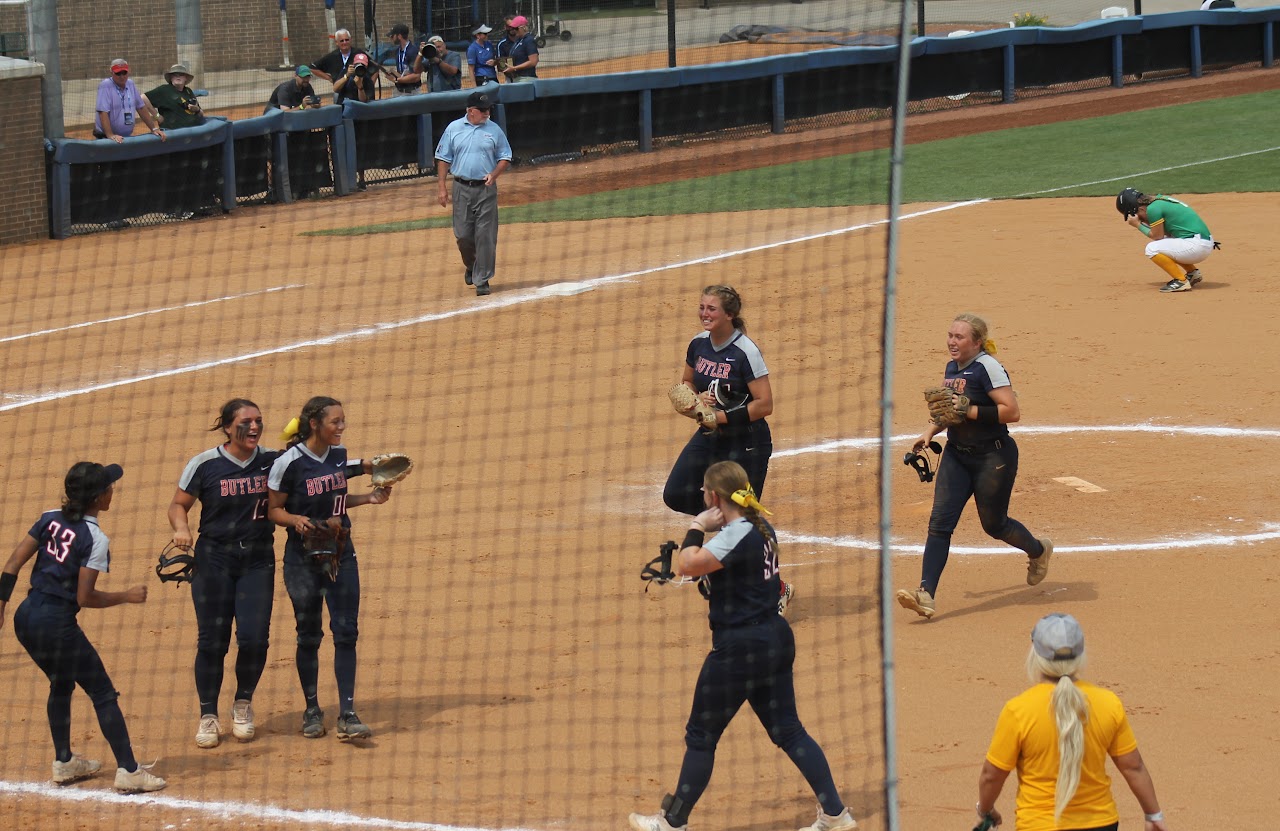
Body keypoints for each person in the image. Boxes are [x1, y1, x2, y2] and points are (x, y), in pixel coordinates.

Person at [628, 461, 856, 831]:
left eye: (705, 493)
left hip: (740, 648)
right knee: (789, 730)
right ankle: (836, 814)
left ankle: (672, 823)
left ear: (715, 497)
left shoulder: (732, 536)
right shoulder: (761, 527)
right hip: (775, 639)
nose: (702, 498)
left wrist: (697, 527)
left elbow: (688, 564)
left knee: (702, 735)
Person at [0, 463, 167, 793]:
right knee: (102, 692)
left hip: (25, 617)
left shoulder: (49, 518)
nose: (112, 490)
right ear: (99, 497)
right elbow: (85, 596)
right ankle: (130, 771)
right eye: (108, 487)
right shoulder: (95, 538)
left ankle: (64, 762)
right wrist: (126, 596)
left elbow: (12, 564)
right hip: (56, 623)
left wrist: (1, 605)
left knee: (61, 682)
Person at [897, 313, 1052, 620]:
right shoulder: (952, 368)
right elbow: (949, 411)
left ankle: (1038, 550)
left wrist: (970, 410)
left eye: (959, 337)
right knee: (939, 524)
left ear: (976, 342)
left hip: (993, 457)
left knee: (995, 525)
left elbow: (1012, 411)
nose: (952, 342)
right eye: (950, 335)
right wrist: (929, 432)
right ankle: (925, 594)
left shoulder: (988, 368)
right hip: (957, 455)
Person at [267, 396, 392, 741]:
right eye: (335, 422)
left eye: (342, 421)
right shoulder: (288, 463)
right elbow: (273, 510)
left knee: (346, 631)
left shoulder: (338, 456)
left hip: (340, 554)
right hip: (301, 560)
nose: (341, 427)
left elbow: (337, 498)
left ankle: (348, 713)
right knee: (308, 635)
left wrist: (368, 498)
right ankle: (311, 709)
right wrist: (296, 520)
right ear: (314, 424)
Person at [662, 285, 792, 614]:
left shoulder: (745, 351)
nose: (705, 313)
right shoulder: (698, 344)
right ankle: (725, 529)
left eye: (712, 309)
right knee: (676, 493)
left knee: (747, 516)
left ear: (729, 315)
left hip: (747, 441)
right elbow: (688, 382)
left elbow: (765, 404)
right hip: (710, 436)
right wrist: (695, 399)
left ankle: (778, 588)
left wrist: (718, 416)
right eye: (702, 307)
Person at [976, 613, 1170, 831]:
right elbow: (1133, 767)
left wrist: (986, 809)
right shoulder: (1108, 703)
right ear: (1081, 653)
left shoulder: (1018, 710)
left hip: (1039, 825)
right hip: (1101, 824)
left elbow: (991, 776)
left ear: (1035, 653)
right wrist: (1153, 814)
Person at [168, 399, 279, 749]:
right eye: (246, 421)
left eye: (258, 421)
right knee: (212, 641)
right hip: (213, 561)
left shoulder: (273, 461)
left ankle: (243, 705)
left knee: (254, 638)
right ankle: (208, 716)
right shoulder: (204, 464)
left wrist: (363, 469)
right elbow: (178, 504)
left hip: (258, 561)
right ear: (228, 427)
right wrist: (181, 528)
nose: (254, 427)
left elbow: (314, 473)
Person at [435, 90, 512, 297]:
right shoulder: (454, 129)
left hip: (486, 190)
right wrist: (442, 187)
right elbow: (443, 158)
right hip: (461, 188)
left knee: (486, 236)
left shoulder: (494, 130)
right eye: (483, 110)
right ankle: (471, 265)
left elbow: (505, 156)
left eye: (489, 109)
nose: (487, 113)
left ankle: (482, 279)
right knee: (463, 236)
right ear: (471, 111)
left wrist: (494, 174)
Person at [1116, 187, 1217, 293]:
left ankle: (1181, 281)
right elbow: (1166, 233)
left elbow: (1156, 236)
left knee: (1152, 249)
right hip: (1201, 243)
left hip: (1196, 247)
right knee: (1165, 241)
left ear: (1139, 209)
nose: (1138, 217)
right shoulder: (1160, 201)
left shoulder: (1153, 209)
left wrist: (1138, 225)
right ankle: (1192, 273)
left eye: (1136, 215)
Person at [94, 59, 165, 143]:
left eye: (124, 73)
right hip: (106, 138)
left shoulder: (130, 84)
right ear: (111, 72)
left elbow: (141, 108)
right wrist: (110, 135)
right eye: (118, 73)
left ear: (129, 71)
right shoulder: (105, 85)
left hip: (125, 137)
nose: (122, 76)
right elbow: (103, 112)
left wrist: (153, 128)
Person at [310, 28, 370, 103]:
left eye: (347, 40)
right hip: (340, 93)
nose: (344, 42)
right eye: (341, 40)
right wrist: (329, 78)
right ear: (336, 42)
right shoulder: (332, 56)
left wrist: (369, 84)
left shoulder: (359, 54)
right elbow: (312, 68)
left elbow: (374, 68)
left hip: (358, 92)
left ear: (350, 40)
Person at [145, 63, 204, 129]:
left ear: (186, 78)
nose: (178, 76)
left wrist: (197, 110)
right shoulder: (164, 90)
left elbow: (201, 113)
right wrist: (157, 116)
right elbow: (142, 98)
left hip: (194, 132)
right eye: (175, 74)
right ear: (171, 78)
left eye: (181, 74)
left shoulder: (188, 91)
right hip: (173, 134)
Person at [384, 23, 422, 96]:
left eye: (392, 36)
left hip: (411, 92)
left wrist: (396, 80)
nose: (391, 39)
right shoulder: (398, 51)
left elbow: (416, 76)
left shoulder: (412, 51)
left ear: (399, 36)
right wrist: (394, 73)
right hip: (400, 90)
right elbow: (403, 75)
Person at [502, 15, 540, 82]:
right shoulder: (518, 40)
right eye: (513, 28)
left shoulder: (529, 40)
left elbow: (533, 61)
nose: (514, 31)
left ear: (523, 28)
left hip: (526, 77)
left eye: (516, 28)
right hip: (517, 78)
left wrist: (515, 68)